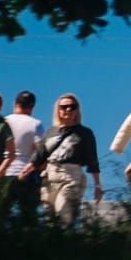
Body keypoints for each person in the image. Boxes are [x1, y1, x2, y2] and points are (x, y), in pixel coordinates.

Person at [33, 93, 102, 228]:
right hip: (50, 178)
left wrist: (98, 186)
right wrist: (27, 169)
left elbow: (92, 161)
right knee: (49, 220)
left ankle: (66, 242)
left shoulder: (85, 133)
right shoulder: (50, 132)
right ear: (58, 110)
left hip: (71, 176)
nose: (68, 110)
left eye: (72, 107)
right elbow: (39, 155)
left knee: (64, 212)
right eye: (64, 107)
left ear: (77, 110)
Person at [2, 90, 42, 219]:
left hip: (4, 173)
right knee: (28, 218)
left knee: (1, 215)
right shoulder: (35, 124)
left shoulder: (3, 121)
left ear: (15, 103)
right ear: (32, 107)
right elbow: (39, 151)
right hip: (26, 175)